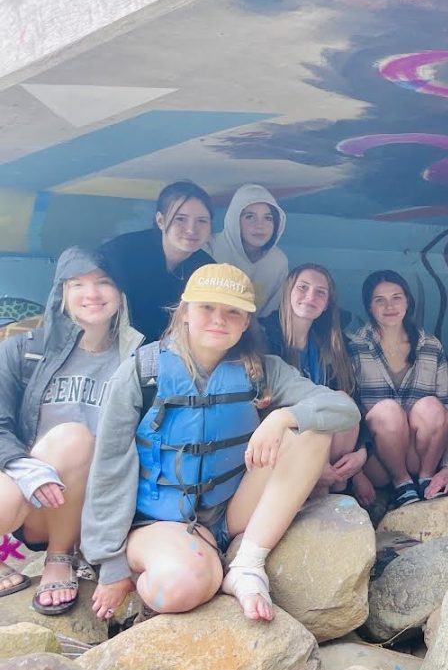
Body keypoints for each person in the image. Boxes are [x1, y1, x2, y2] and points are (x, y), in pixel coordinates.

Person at [81, 264, 360, 622]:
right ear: (184, 312)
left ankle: (246, 564)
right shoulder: (143, 370)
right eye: (206, 308)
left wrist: (281, 417)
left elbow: (343, 408)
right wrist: (111, 564)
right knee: (180, 585)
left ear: (246, 322)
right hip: (157, 521)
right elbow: (108, 468)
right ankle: (175, 565)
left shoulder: (263, 369)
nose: (219, 319)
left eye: (233, 312)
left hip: (229, 514)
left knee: (312, 428)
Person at [0, 249, 142, 615]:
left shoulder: (140, 359)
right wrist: (22, 466)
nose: (91, 293)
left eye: (103, 282)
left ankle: (59, 557)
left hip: (94, 507)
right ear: (62, 293)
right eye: (77, 283)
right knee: (58, 445)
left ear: (121, 292)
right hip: (29, 499)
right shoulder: (23, 351)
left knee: (77, 439)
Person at [348, 270, 448, 512]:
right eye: (380, 300)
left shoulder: (430, 345)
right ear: (369, 306)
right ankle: (402, 485)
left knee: (431, 406)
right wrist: (356, 474)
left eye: (396, 297)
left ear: (407, 301)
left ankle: (425, 480)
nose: (389, 306)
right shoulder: (355, 346)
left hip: (421, 455)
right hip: (379, 460)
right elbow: (347, 412)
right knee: (388, 410)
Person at [261, 264, 365, 499]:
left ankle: (326, 497)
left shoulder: (331, 343)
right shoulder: (264, 335)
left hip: (326, 449)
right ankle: (312, 494)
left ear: (328, 302)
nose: (310, 297)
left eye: (321, 292)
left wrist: (362, 453)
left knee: (342, 401)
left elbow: (353, 403)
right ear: (287, 291)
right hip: (278, 444)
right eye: (303, 288)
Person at [100, 181, 215, 339]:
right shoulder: (121, 254)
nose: (191, 230)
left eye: (202, 221)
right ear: (161, 220)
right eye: (180, 219)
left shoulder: (206, 269)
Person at [209, 184, 289, 314]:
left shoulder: (278, 262)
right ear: (234, 219)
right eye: (249, 216)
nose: (259, 226)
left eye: (268, 218)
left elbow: (271, 311)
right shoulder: (209, 249)